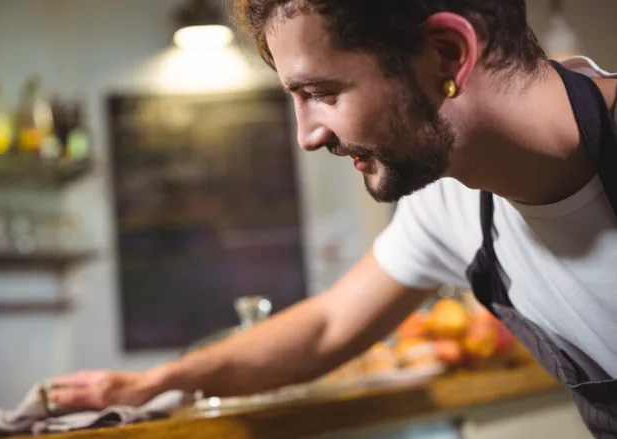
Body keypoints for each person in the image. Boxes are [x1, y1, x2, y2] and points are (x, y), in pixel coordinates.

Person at [50, 0, 617, 434]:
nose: (307, 136)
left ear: (447, 54)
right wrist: (153, 383)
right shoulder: (449, 204)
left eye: (321, 92)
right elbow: (326, 328)